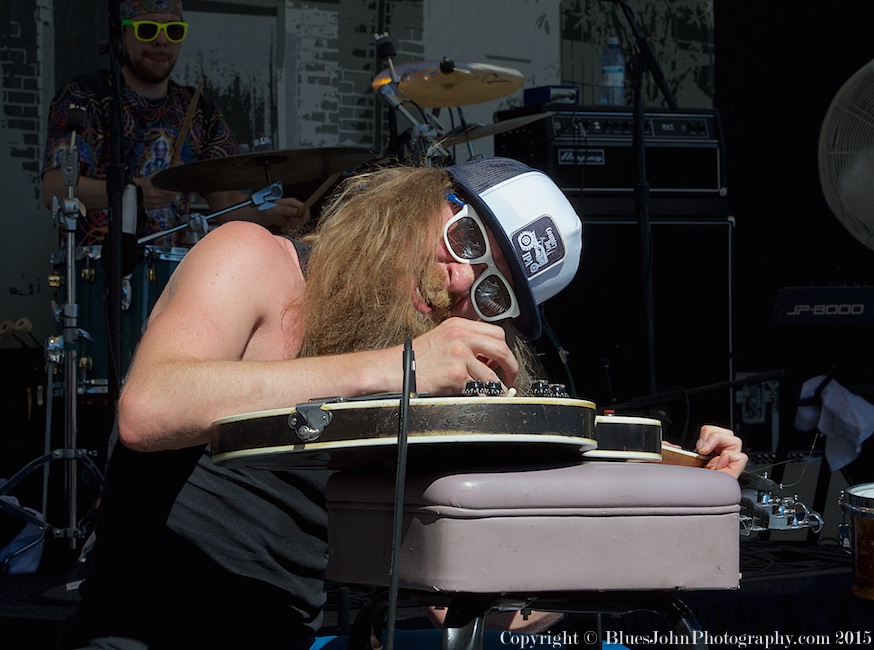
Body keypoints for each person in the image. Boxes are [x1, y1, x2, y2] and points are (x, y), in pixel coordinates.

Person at [56, 156, 748, 649]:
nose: (456, 282)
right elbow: (149, 408)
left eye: (490, 292)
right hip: (137, 631)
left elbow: (479, 603)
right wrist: (401, 367)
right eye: (464, 241)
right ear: (420, 200)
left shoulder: (431, 383)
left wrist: (668, 508)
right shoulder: (255, 259)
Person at [41, 0, 308, 249]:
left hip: (173, 274)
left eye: (173, 31)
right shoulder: (84, 97)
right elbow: (55, 189)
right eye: (147, 30)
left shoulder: (199, 111)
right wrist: (134, 191)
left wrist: (271, 214)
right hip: (97, 271)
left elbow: (226, 204)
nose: (161, 40)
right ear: (122, 34)